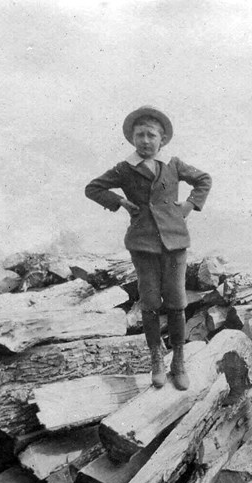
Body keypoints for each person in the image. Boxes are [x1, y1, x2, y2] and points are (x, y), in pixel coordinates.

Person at [85, 106, 211, 390]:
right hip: (143, 244)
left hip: (175, 241)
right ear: (132, 139)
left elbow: (204, 180)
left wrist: (189, 205)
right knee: (151, 303)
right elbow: (93, 188)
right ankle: (157, 359)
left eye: (151, 135)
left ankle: (178, 361)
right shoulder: (125, 168)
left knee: (177, 302)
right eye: (139, 135)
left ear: (162, 139)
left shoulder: (173, 164)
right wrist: (120, 202)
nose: (145, 140)